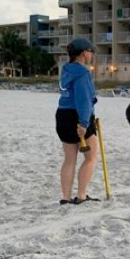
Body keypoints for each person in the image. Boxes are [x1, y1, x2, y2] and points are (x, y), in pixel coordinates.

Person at [55, 38, 99, 205]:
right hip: (77, 115)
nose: (92, 55)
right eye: (91, 52)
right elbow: (84, 100)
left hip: (62, 114)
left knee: (69, 158)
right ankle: (81, 195)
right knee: (91, 157)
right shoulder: (83, 72)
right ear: (84, 53)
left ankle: (65, 198)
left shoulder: (66, 70)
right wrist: (84, 123)